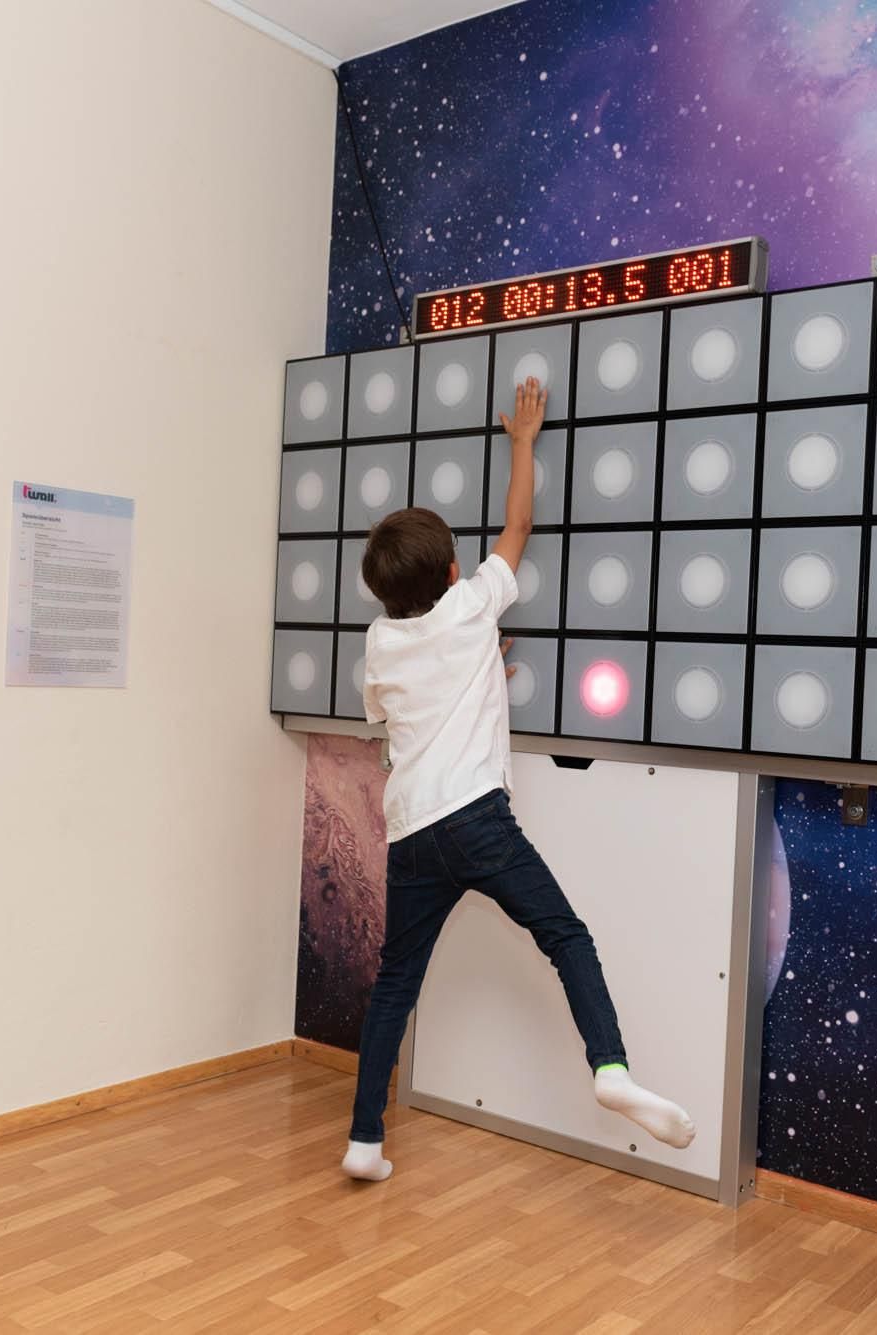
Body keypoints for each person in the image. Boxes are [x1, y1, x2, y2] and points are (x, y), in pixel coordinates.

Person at [341, 376, 696, 1182]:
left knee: (395, 980)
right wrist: (525, 441)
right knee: (566, 936)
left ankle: (364, 1139)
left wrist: (478, 674)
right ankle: (610, 1068)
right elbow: (520, 526)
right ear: (454, 569)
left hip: (411, 833)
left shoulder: (381, 641)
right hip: (476, 821)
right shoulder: (473, 607)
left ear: (383, 592)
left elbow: (396, 713)